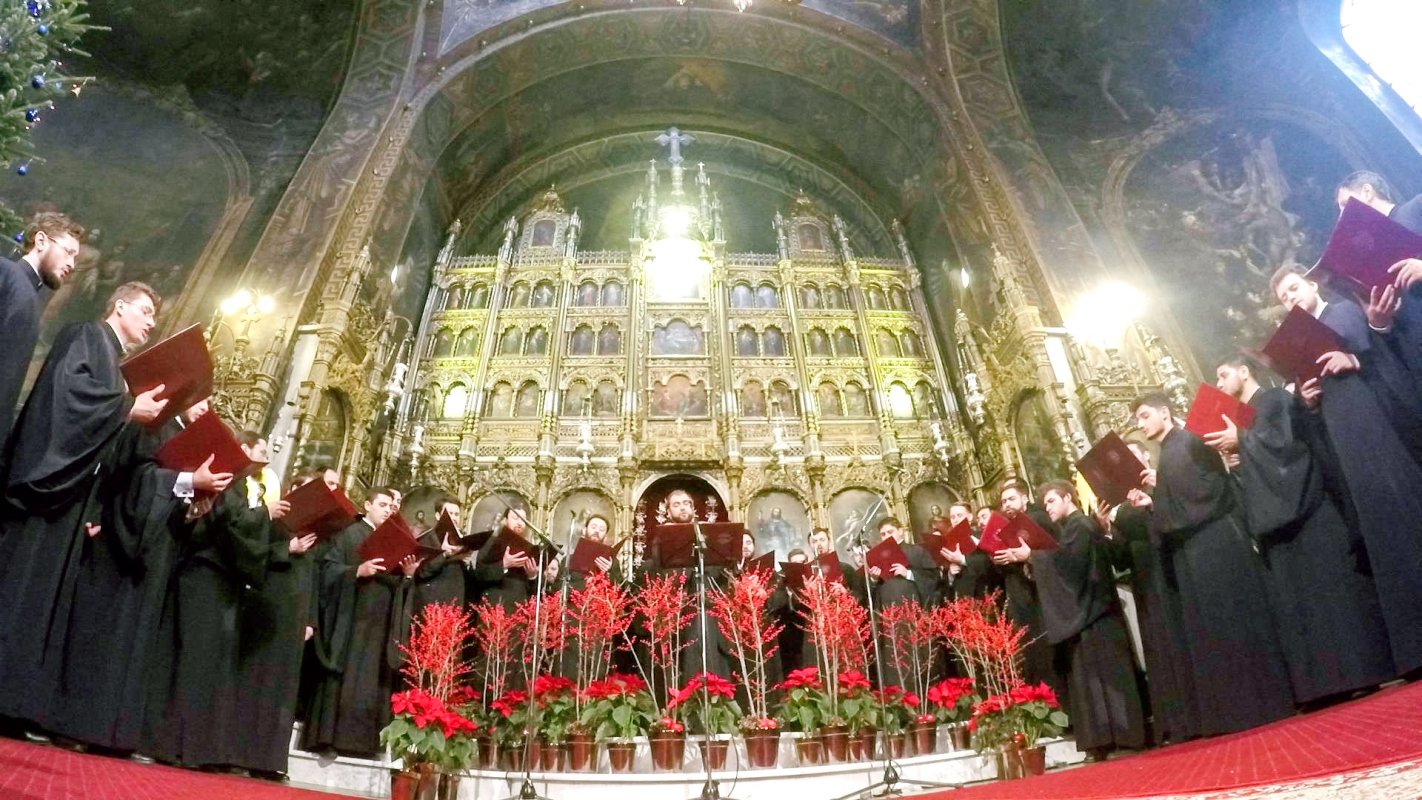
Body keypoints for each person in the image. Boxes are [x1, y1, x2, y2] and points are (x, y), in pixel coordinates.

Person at [0, 282, 168, 729]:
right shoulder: (84, 337)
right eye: (147, 311)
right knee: (18, 591)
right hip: (47, 490)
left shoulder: (118, 364)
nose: (152, 322)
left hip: (74, 497)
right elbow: (66, 398)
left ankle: (14, 703)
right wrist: (128, 407)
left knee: (43, 602)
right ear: (119, 306)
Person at [41, 398, 231, 753]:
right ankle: (77, 724)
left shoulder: (186, 437)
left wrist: (192, 508)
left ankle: (113, 733)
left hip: (157, 551)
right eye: (201, 397)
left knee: (136, 641)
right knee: (102, 634)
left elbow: (168, 497)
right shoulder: (153, 424)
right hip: (120, 543)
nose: (207, 405)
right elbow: (134, 480)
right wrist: (189, 479)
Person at [1208, 356, 1393, 705]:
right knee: (1301, 607)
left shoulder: (1275, 399)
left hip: (1308, 513)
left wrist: (1243, 441)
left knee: (1333, 598)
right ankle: (1323, 685)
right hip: (1277, 521)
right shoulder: (1245, 419)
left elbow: (1289, 450)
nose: (1218, 383)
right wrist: (1237, 460)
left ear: (1244, 372)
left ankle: (1360, 673)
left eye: (1223, 374)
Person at [1271, 267, 1422, 677]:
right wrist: (1309, 400)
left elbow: (1383, 355)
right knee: (1381, 530)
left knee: (1405, 515)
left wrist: (1351, 357)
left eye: (1294, 289)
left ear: (1312, 285)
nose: (1291, 299)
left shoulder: (1342, 312)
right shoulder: (1301, 340)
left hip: (1376, 427)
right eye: (1284, 297)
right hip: (1343, 437)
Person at [1129, 393, 1294, 736]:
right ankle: (1238, 709)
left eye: (1145, 416)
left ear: (1164, 412)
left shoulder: (1188, 440)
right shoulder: (1171, 450)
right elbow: (1181, 498)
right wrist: (1157, 498)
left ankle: (1258, 704)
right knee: (1216, 629)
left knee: (1233, 621)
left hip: (1214, 544)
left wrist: (1160, 501)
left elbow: (1205, 492)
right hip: (1196, 550)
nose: (1141, 425)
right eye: (1137, 420)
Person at [140, 421, 276, 768]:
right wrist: (266, 516)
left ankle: (193, 747)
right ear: (242, 450)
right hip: (205, 575)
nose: (265, 461)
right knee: (192, 660)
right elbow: (229, 522)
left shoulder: (241, 482)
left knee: (208, 664)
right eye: (261, 453)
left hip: (221, 578)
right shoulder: (226, 474)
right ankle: (173, 744)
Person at [1028, 480, 1146, 760]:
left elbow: (1070, 564)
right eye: (1045, 504)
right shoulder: (1073, 527)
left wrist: (1032, 556)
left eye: (1051, 502)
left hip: (1097, 613)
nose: (1048, 508)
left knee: (1108, 677)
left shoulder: (1080, 525)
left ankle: (1122, 737)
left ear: (1068, 497)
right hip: (1090, 612)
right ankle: (1107, 738)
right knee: (1095, 679)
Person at [1095, 443, 1200, 744]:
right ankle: (1174, 722)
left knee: (1183, 641)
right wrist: (1105, 530)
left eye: (1133, 454)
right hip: (1143, 581)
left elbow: (1180, 522)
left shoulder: (1162, 484)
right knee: (1158, 650)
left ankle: (1196, 714)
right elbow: (1121, 558)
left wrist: (1153, 502)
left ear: (1144, 457)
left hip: (1172, 573)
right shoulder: (1122, 507)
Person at [301, 487, 417, 757]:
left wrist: (408, 575)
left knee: (371, 679)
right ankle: (329, 740)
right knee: (343, 678)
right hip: (349, 621)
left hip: (379, 624)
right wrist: (357, 571)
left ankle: (362, 743)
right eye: (383, 504)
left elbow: (396, 582)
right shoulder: (349, 534)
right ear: (367, 505)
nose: (388, 510)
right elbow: (327, 570)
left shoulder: (390, 540)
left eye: (391, 506)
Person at [232, 433, 319, 777]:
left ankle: (269, 761)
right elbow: (254, 553)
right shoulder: (272, 515)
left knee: (283, 689)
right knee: (258, 681)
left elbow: (315, 576)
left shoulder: (317, 528)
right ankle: (243, 755)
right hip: (269, 603)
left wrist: (310, 617)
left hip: (295, 610)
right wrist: (289, 549)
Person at [0, 211, 84, 459]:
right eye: (68, 251)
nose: (72, 264)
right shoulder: (7, 274)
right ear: (41, 241)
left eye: (76, 257)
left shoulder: (25, 290)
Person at [991, 482, 1063, 700]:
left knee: (1047, 651)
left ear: (1025, 498)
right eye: (1003, 502)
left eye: (1011, 499)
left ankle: (1055, 703)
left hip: (1042, 596)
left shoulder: (1038, 518)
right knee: (1030, 652)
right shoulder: (1007, 527)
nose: (1007, 505)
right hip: (1021, 596)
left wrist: (1026, 556)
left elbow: (1055, 550)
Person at [866, 517, 941, 686]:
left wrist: (908, 573)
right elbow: (871, 592)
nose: (887, 536)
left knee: (912, 654)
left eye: (890, 532)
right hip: (886, 615)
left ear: (901, 531)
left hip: (911, 613)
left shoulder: (917, 551)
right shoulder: (878, 555)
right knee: (891, 654)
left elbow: (933, 579)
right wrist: (873, 578)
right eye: (883, 534)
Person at [471, 505, 539, 610]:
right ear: (505, 520)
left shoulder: (530, 549)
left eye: (523, 520)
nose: (519, 523)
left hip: (519, 607)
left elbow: (534, 592)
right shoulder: (491, 542)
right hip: (495, 605)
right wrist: (504, 565)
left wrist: (532, 576)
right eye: (515, 518)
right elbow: (480, 574)